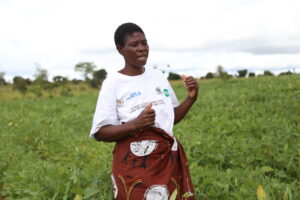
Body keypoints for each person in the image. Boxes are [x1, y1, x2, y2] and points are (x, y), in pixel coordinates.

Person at [89, 22, 199, 200]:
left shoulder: (157, 76)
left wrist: (191, 98)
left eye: (144, 43)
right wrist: (135, 125)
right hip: (134, 165)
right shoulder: (113, 83)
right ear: (120, 49)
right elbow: (101, 132)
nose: (142, 49)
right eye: (134, 45)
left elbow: (170, 118)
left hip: (166, 161)